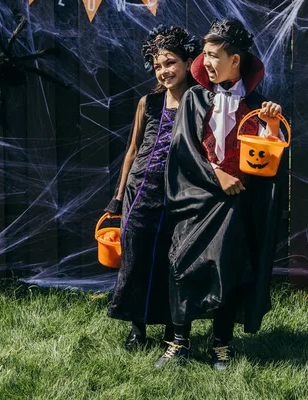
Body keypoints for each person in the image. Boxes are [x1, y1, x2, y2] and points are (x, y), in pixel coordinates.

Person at [157, 19, 284, 370]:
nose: (207, 63)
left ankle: (221, 345)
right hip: (196, 197)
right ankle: (179, 341)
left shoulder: (256, 105)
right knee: (181, 264)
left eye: (214, 55)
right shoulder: (195, 98)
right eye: (205, 55)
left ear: (235, 60)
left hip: (234, 205)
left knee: (228, 269)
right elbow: (183, 148)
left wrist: (271, 127)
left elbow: (265, 160)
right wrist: (218, 174)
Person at [105, 25, 201, 351]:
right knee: (136, 260)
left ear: (188, 62)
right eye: (158, 66)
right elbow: (132, 151)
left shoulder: (200, 101)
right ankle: (137, 327)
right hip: (140, 193)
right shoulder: (148, 102)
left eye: (170, 62)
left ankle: (175, 329)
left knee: (172, 263)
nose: (164, 71)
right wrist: (119, 197)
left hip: (178, 196)